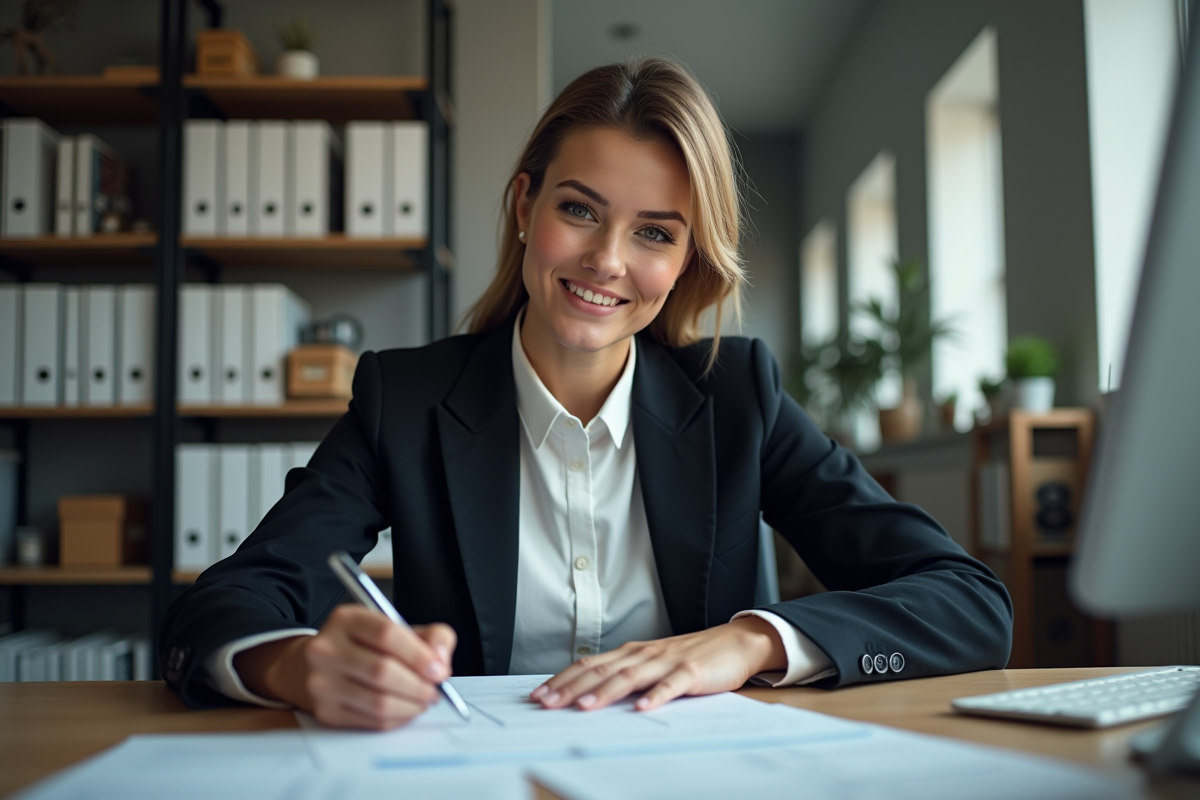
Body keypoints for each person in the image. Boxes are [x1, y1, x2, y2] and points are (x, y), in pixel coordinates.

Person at [159, 59, 1012, 730]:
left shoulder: (740, 397)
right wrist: (294, 665)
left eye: (653, 233)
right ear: (526, 206)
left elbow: (970, 603)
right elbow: (224, 603)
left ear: (685, 264)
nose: (607, 259)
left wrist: (751, 642)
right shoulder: (405, 399)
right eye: (580, 209)